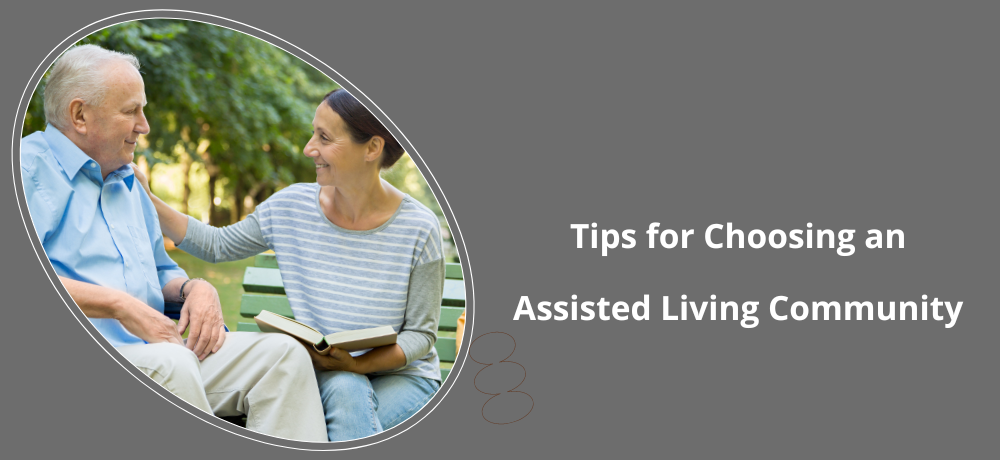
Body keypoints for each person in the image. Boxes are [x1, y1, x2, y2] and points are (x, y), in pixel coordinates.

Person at [20, 45, 327, 442]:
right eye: (131, 111)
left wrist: (193, 288)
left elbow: (159, 268)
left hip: (159, 351)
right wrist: (119, 305)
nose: (144, 125)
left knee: (283, 357)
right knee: (173, 363)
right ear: (80, 115)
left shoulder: (128, 179)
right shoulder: (25, 170)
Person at [136, 88, 445, 441]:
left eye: (324, 137)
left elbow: (420, 335)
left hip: (402, 378)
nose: (308, 148)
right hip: (328, 374)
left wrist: (357, 364)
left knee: (344, 402)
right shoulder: (291, 207)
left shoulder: (419, 227)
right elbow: (217, 245)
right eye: (313, 133)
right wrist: (149, 200)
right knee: (345, 388)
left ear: (372, 149)